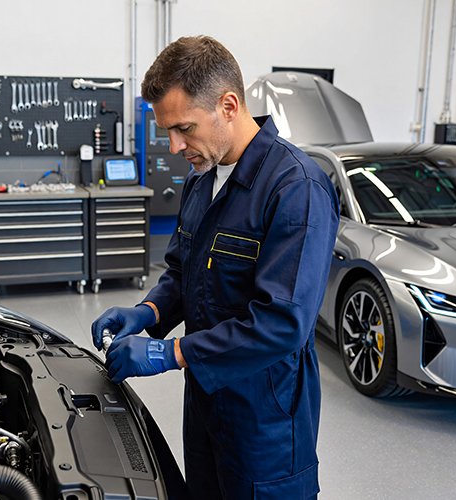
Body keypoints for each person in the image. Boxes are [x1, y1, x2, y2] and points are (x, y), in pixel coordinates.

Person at [91, 35, 339, 499]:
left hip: (266, 415)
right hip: (206, 401)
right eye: (167, 130)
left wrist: (171, 354)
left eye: (183, 128)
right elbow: (184, 273)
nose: (173, 145)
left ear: (228, 105)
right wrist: (147, 312)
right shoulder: (202, 180)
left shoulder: (296, 188)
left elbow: (282, 323)